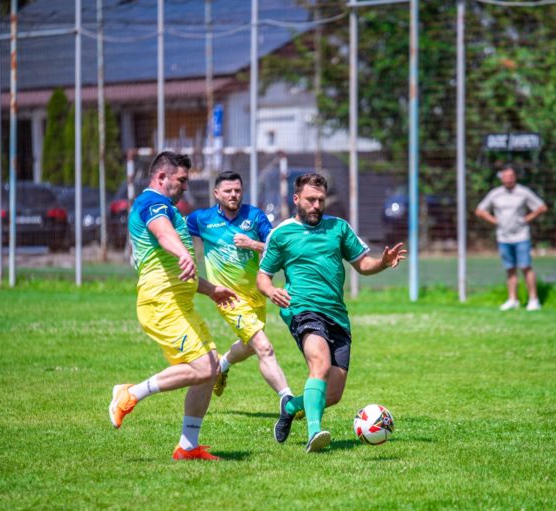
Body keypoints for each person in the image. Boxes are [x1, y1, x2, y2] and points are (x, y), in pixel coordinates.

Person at [257, 173, 406, 453]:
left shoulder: (338, 228)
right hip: (302, 309)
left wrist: (383, 263)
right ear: (296, 199)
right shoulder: (281, 234)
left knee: (334, 394)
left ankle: (291, 406)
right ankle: (315, 433)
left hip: (336, 314)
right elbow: (263, 276)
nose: (316, 205)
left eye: (320, 200)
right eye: (310, 199)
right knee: (320, 364)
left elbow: (363, 264)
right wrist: (270, 290)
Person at [108, 151, 237, 461]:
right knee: (204, 367)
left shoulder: (170, 208)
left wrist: (210, 290)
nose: (185, 186)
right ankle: (130, 393)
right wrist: (182, 252)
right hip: (160, 302)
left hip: (179, 301)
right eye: (181, 180)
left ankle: (188, 446)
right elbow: (163, 233)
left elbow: (179, 269)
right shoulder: (151, 203)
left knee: (211, 368)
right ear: (161, 177)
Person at [186, 171, 294, 408]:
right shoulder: (201, 219)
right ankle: (288, 400)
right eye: (228, 191)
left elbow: (276, 248)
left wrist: (253, 244)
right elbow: (175, 232)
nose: (233, 195)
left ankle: (221, 366)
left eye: (237, 190)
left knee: (249, 347)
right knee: (264, 347)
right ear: (216, 194)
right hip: (228, 298)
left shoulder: (254, 216)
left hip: (257, 294)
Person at [475, 165, 548, 311]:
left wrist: (527, 218)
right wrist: (495, 221)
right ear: (501, 178)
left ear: (515, 177)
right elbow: (480, 211)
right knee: (510, 268)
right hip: (503, 237)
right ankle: (512, 299)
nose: (508, 179)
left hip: (521, 236)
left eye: (511, 176)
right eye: (505, 176)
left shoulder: (523, 192)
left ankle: (533, 300)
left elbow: (542, 207)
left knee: (525, 267)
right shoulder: (495, 194)